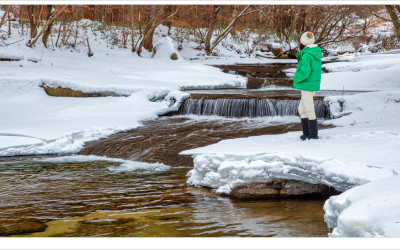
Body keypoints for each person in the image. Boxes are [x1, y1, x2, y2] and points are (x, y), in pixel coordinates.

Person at [293, 31, 322, 140]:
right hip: (311, 84)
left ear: (303, 42)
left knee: (309, 110)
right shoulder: (315, 52)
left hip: (307, 85)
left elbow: (305, 72)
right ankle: (306, 134)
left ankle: (313, 135)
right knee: (302, 109)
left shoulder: (306, 55)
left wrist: (295, 78)